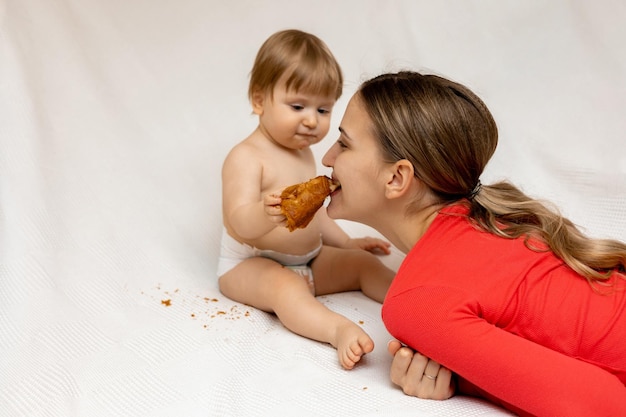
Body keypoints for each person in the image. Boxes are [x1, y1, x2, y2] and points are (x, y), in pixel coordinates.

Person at [321, 70, 626, 416]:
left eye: (344, 144)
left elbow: (603, 405)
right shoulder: (486, 218)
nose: (327, 158)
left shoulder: (415, 301)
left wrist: (463, 380)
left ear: (396, 177)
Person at [218, 29, 396, 370]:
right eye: (297, 106)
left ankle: (411, 302)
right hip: (250, 264)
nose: (312, 120)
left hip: (310, 261)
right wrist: (263, 213)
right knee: (283, 287)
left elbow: (317, 216)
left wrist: (347, 244)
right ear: (259, 100)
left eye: (324, 109)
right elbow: (237, 221)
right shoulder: (246, 156)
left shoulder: (304, 155)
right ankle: (337, 329)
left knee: (363, 266)